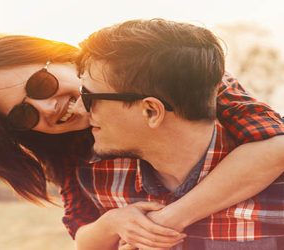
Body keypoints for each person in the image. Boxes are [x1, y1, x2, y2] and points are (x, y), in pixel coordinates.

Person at [0, 34, 284, 249]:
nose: (47, 107)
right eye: (22, 116)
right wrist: (114, 222)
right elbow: (82, 235)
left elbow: (275, 146)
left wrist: (166, 221)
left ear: (61, 57)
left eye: (41, 84)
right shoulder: (74, 156)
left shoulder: (169, 75)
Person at [74, 18, 284, 249]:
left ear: (151, 111)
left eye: (88, 97)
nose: (78, 109)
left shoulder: (277, 188)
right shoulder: (98, 177)